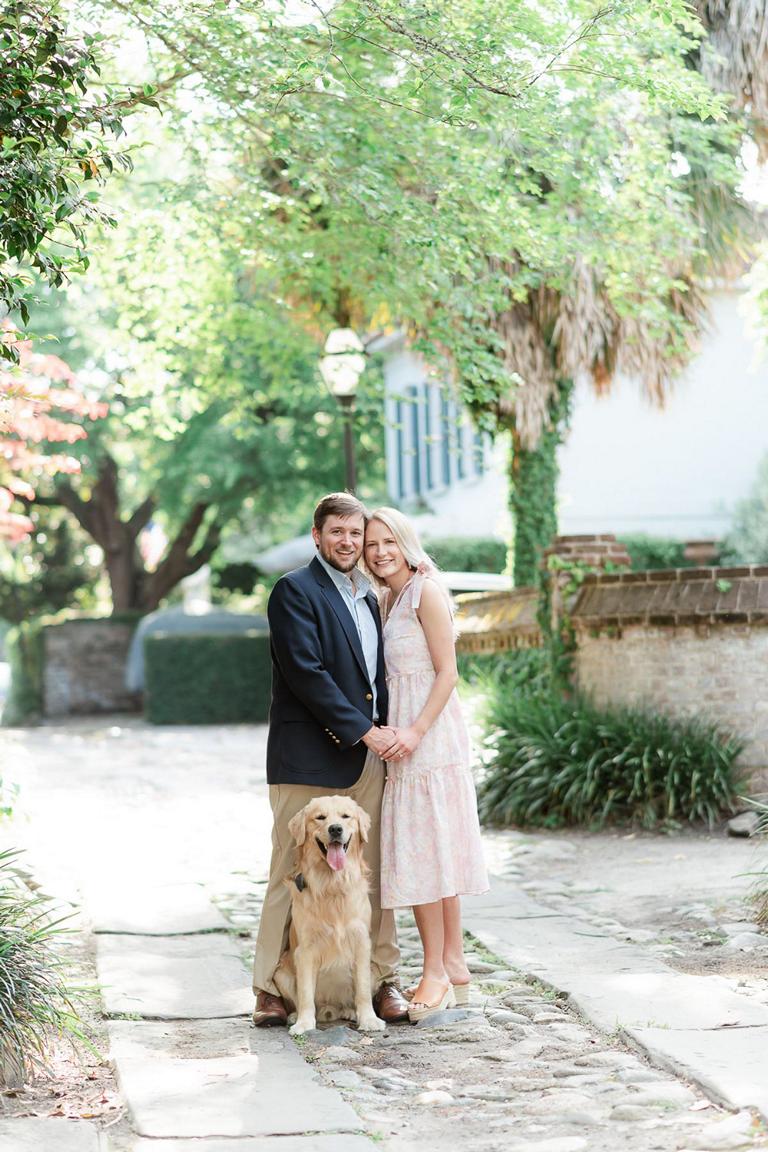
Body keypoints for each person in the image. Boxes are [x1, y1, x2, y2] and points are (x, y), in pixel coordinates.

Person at [252, 492, 410, 1027]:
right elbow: (306, 673)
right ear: (317, 536)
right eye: (337, 533)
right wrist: (366, 732)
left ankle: (382, 979)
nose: (348, 542)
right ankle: (272, 988)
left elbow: (372, 679)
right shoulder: (293, 591)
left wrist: (384, 734)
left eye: (355, 533)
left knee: (374, 868)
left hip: (368, 757)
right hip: (309, 758)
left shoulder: (369, 597)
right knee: (290, 871)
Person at [364, 507, 489, 1023]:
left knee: (423, 850)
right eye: (372, 545)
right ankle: (454, 964)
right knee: (432, 847)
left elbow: (449, 672)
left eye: (387, 541)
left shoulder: (425, 591)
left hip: (429, 735)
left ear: (405, 541)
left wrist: (414, 731)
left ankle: (435, 969)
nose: (379, 552)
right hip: (405, 732)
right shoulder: (388, 597)